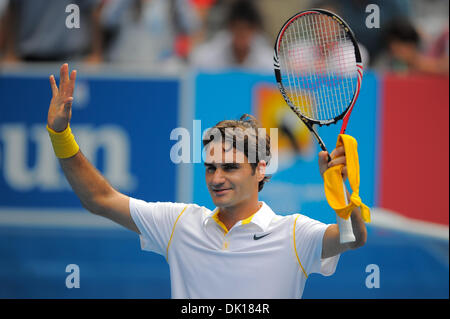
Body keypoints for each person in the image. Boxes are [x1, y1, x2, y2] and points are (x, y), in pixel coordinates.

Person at [46, 63, 367, 298]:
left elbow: (353, 237)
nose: (216, 178)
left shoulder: (295, 234)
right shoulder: (179, 224)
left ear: (260, 170)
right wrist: (61, 135)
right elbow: (99, 199)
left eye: (229, 167)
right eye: (210, 167)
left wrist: (339, 191)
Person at [189, 0, 273, 72]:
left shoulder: (268, 61)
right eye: (238, 29)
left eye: (246, 29)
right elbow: (197, 60)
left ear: (255, 30)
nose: (242, 35)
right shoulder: (209, 55)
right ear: (230, 28)